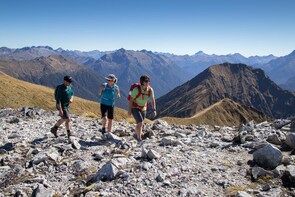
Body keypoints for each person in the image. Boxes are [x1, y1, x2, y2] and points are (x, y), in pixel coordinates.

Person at [128, 75, 156, 141]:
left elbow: (152, 100)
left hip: (143, 108)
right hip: (135, 107)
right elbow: (131, 100)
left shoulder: (150, 90)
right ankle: (139, 138)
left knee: (141, 123)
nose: (148, 82)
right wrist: (129, 110)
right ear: (142, 82)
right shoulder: (136, 89)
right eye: (146, 81)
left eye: (148, 81)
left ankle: (136, 134)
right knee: (140, 122)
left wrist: (154, 110)